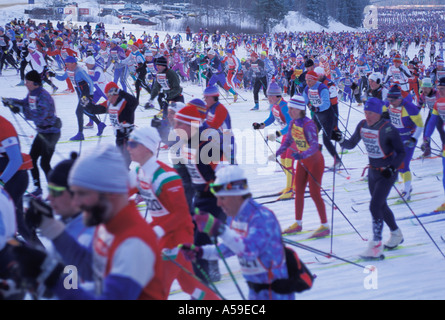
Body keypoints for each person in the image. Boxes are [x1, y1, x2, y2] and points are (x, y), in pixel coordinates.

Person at [11, 144, 167, 300]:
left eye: (81, 194)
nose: (76, 202)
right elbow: (90, 268)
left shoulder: (133, 242)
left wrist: (54, 280)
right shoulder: (109, 226)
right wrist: (51, 230)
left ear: (108, 193)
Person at [127, 126, 220, 300]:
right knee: (189, 285)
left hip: (177, 238)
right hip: (162, 235)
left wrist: (156, 231)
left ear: (147, 148)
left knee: (157, 289)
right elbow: (119, 194)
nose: (127, 147)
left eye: (133, 144)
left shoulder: (166, 177)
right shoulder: (139, 172)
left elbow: (182, 215)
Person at [180, 165, 295, 300]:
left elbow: (249, 251)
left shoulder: (262, 218)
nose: (218, 204)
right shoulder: (238, 218)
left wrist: (219, 229)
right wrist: (200, 252)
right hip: (256, 292)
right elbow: (229, 248)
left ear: (236, 195)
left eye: (222, 198)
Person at [340, 98, 406, 259]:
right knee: (380, 205)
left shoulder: (388, 129)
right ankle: (396, 233)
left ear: (378, 113)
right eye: (366, 112)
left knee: (374, 206)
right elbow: (350, 144)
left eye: (371, 113)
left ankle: (376, 245)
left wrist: (392, 168)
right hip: (373, 172)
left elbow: (402, 152)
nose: (367, 116)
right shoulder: (362, 125)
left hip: (386, 173)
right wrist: (339, 138)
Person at [172, 104, 226, 283]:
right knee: (195, 236)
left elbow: (226, 172)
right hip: (200, 198)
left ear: (191, 126)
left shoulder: (206, 147)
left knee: (201, 240)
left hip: (215, 200)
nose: (175, 127)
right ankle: (208, 276)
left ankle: (204, 281)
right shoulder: (186, 145)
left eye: (179, 124)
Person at [273, 96, 329, 238]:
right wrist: (277, 153)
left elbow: (314, 146)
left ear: (300, 109)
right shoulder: (292, 123)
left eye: (292, 108)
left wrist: (302, 154)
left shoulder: (309, 124)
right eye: (289, 108)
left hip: (315, 162)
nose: (289, 111)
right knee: (298, 191)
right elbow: (288, 142)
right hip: (303, 161)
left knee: (315, 193)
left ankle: (324, 225)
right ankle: (298, 223)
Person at [1, 70, 61, 198]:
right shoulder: (32, 93)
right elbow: (24, 103)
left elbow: (41, 115)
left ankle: (56, 193)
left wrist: (22, 110)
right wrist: (11, 101)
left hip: (51, 133)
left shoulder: (44, 96)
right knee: (32, 159)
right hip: (42, 132)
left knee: (45, 163)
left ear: (35, 83)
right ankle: (38, 190)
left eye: (27, 81)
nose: (26, 84)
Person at [252, 81, 294, 200]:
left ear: (277, 95)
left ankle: (290, 189)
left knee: (288, 162)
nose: (268, 97)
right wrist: (261, 125)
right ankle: (291, 185)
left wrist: (277, 134)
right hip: (286, 135)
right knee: (283, 160)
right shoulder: (275, 105)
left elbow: (291, 125)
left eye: (270, 95)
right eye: (267, 95)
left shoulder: (284, 106)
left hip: (294, 135)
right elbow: (271, 118)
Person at [82, 81, 138, 168]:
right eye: (107, 96)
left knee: (123, 163)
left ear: (116, 94)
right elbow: (95, 110)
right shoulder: (109, 103)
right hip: (118, 137)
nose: (108, 98)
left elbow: (135, 101)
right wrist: (86, 103)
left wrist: (120, 91)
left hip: (127, 136)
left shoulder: (125, 103)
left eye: (109, 95)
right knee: (121, 163)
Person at [383, 84, 424, 200]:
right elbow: (381, 114)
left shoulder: (410, 107)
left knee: (404, 164)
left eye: (392, 100)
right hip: (396, 138)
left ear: (399, 98)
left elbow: (420, 125)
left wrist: (413, 139)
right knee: (397, 164)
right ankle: (408, 186)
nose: (390, 102)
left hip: (408, 138)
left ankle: (406, 192)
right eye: (389, 100)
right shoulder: (388, 105)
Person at [0, 115, 35, 244]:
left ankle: (37, 256)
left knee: (11, 219)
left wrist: (1, 182)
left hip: (15, 178)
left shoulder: (3, 127)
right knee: (18, 221)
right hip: (7, 178)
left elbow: (16, 160)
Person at [52, 56, 98, 141]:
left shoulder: (80, 71)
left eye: (68, 64)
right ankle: (100, 124)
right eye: (66, 64)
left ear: (74, 63)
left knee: (79, 111)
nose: (67, 66)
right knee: (85, 110)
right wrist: (54, 75)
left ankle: (80, 134)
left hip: (85, 93)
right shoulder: (69, 70)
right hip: (79, 92)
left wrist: (91, 95)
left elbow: (90, 82)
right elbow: (62, 78)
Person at [303, 70, 341, 169]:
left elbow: (326, 103)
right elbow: (304, 98)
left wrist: (317, 108)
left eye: (310, 80)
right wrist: (308, 104)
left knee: (326, 139)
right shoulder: (307, 88)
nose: (308, 82)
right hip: (317, 115)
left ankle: (337, 160)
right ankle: (316, 158)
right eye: (306, 80)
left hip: (327, 115)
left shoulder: (322, 88)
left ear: (315, 80)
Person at [421, 77, 445, 212]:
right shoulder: (438, 103)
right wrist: (426, 139)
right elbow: (431, 122)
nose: (440, 91)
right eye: (439, 89)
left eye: (443, 89)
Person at [202, 85, 236, 164]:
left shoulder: (221, 109)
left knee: (229, 167)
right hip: (216, 141)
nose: (205, 100)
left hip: (226, 142)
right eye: (204, 97)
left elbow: (214, 126)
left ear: (213, 98)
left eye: (206, 97)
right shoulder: (208, 107)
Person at [419, 77, 443, 158]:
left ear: (431, 87)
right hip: (432, 112)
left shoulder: (437, 94)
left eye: (426, 88)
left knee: (440, 129)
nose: (424, 90)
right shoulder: (422, 95)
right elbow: (418, 106)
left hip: (441, 112)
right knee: (426, 129)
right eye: (423, 88)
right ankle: (427, 149)